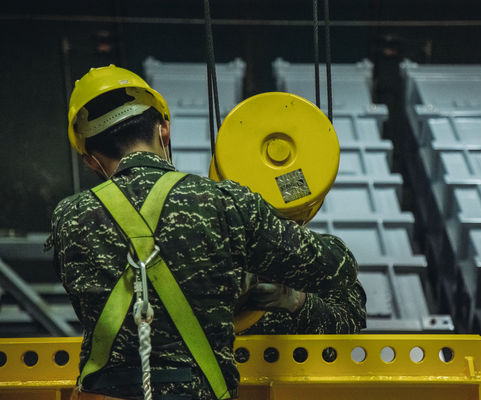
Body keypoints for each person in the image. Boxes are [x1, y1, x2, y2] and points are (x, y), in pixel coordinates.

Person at [47, 64, 365, 400]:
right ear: (164, 129)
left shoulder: (68, 218)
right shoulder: (223, 203)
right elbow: (337, 266)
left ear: (88, 159)